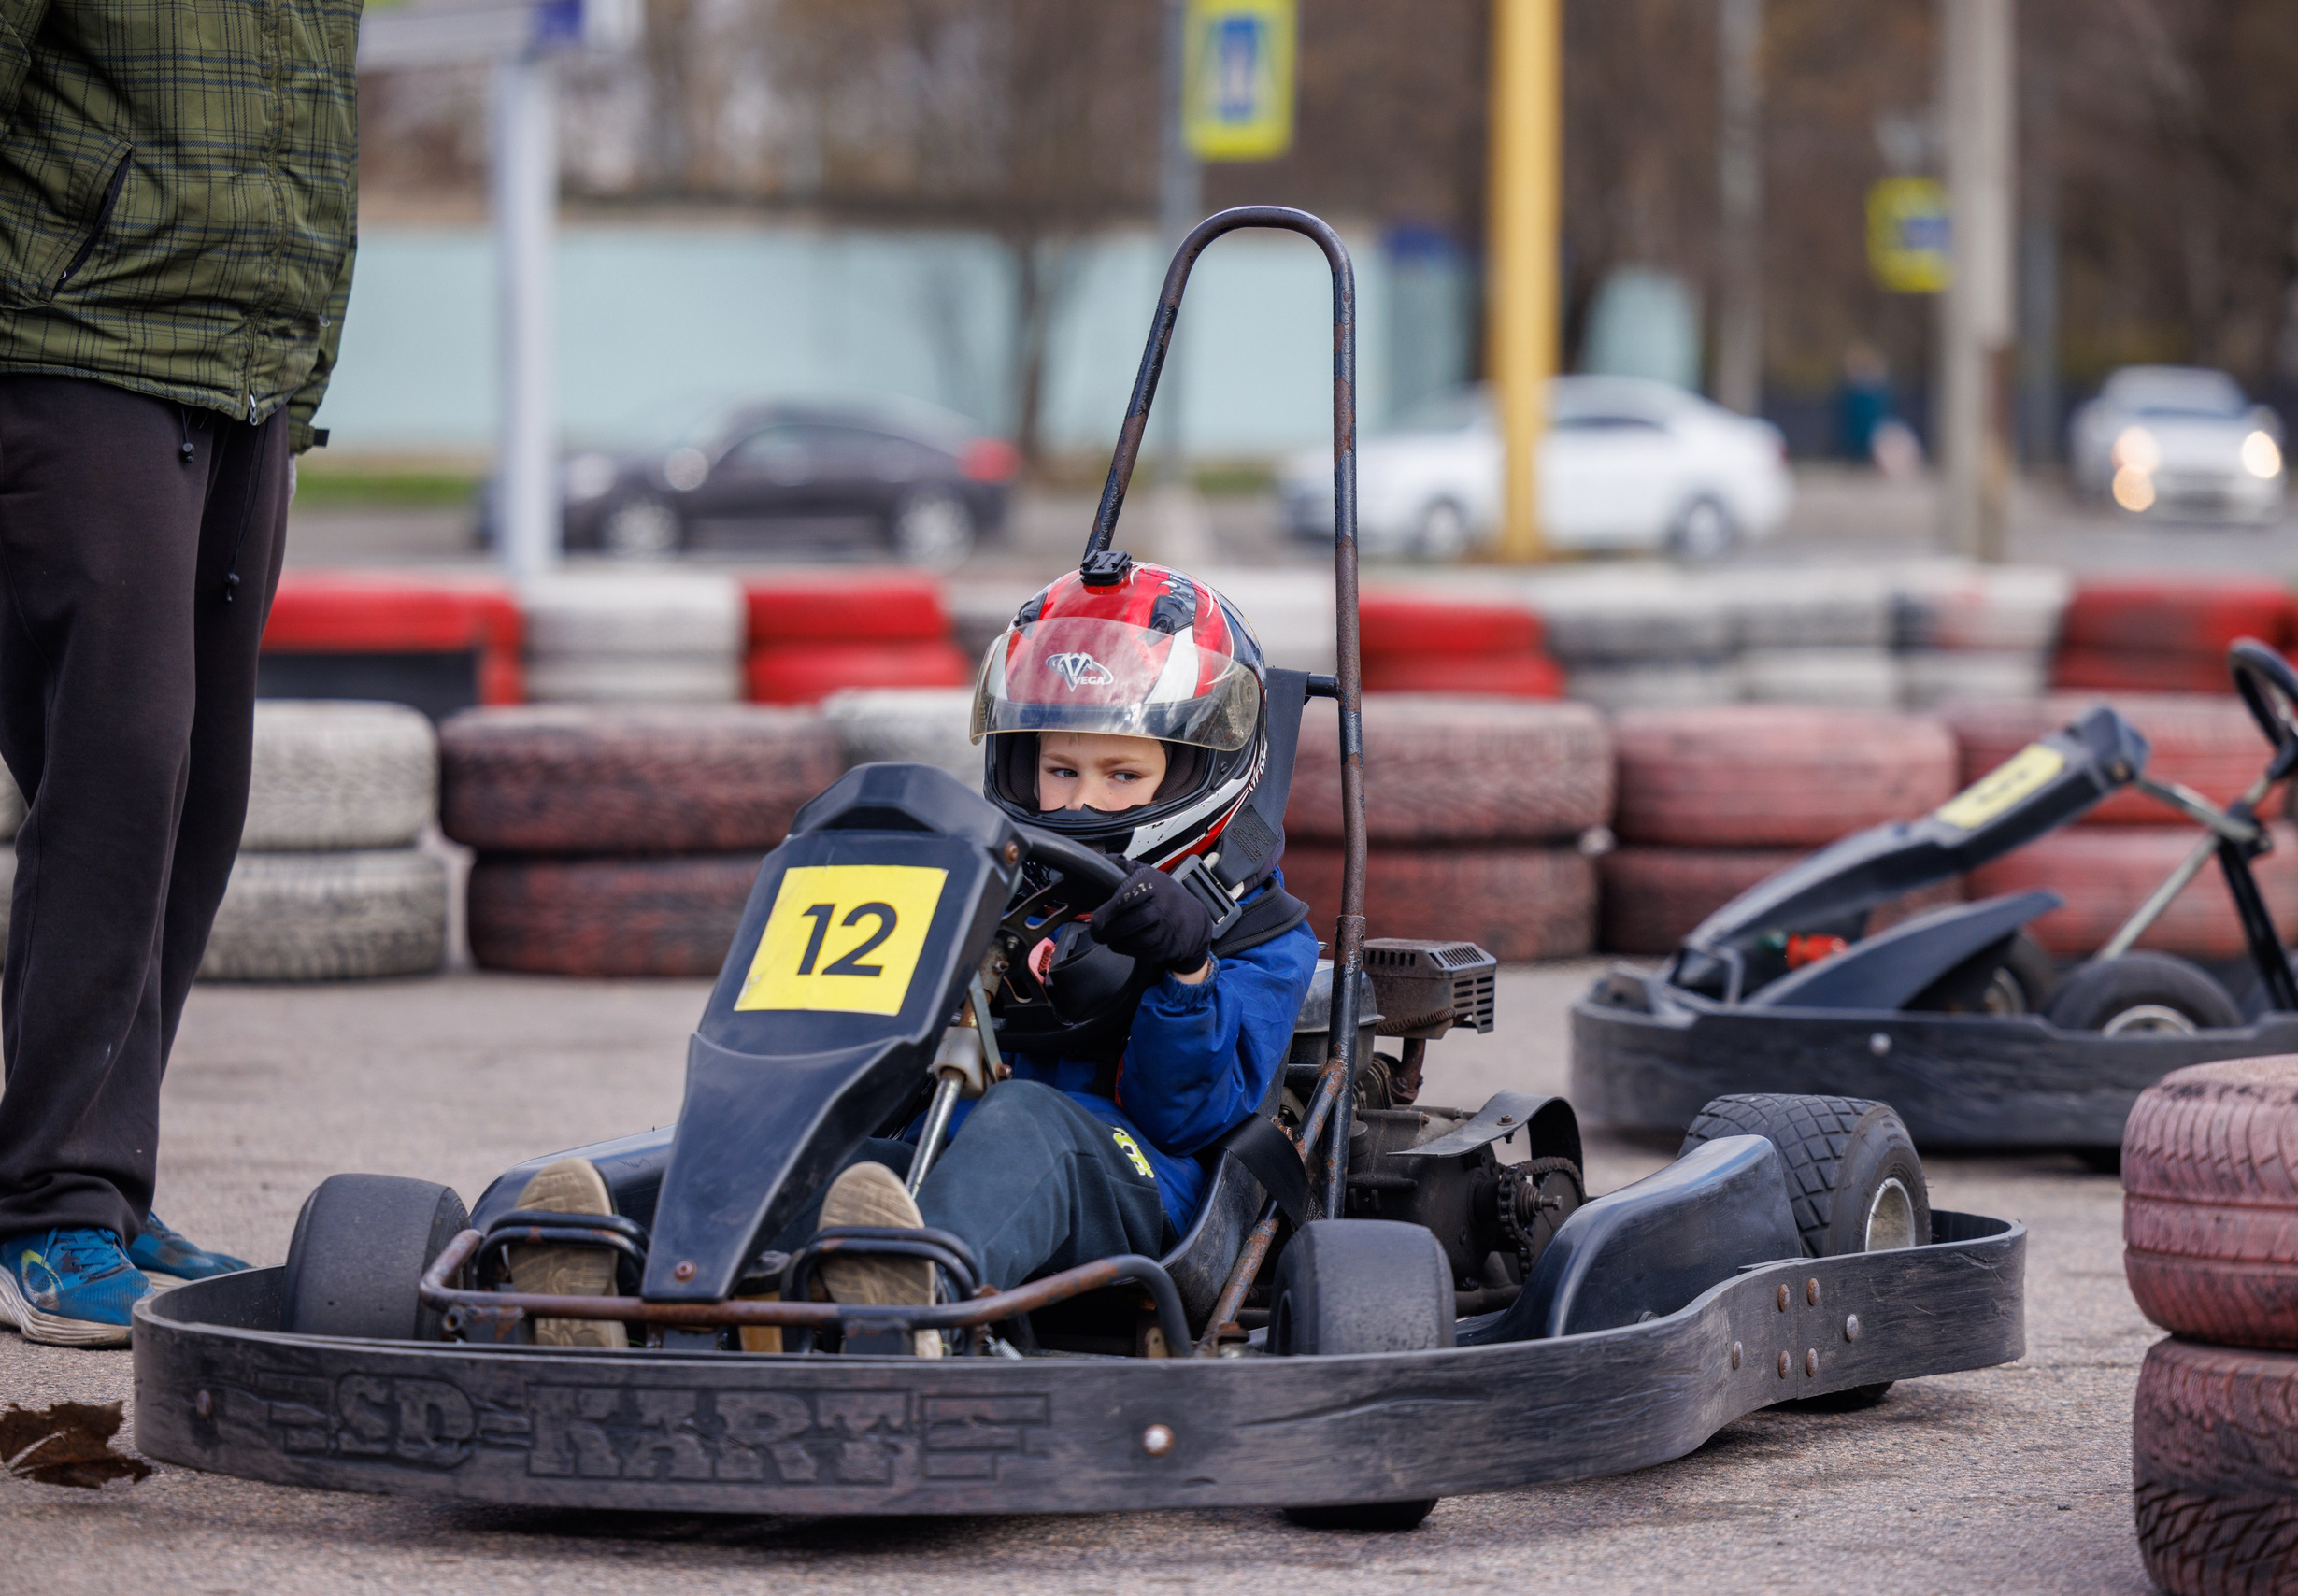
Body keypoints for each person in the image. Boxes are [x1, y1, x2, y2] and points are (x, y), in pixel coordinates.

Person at [516, 562, 1320, 1355]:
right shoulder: (997, 885)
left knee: (1026, 1121)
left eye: (1121, 774)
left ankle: (914, 1303)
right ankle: (649, 1298)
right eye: (1060, 769)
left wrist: (1184, 974)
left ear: (1198, 770)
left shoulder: (1254, 932)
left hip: (1148, 1186)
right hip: (946, 1160)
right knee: (830, 1155)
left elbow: (1189, 1120)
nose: (1080, 800)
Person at [0, 1, 361, 1346]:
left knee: (203, 786)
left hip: (246, 362)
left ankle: (105, 1172)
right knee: (119, 767)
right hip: (69, 345)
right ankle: (49, 1205)